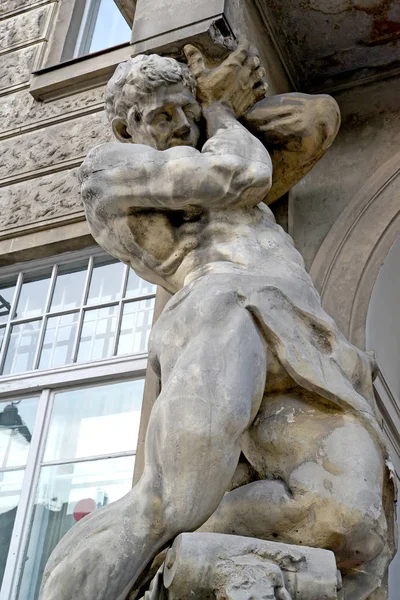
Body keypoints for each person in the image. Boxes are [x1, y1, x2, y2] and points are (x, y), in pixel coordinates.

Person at [40, 42, 395, 600]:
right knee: (171, 502)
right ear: (124, 126)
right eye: (162, 116)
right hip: (223, 308)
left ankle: (196, 553)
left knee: (353, 521)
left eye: (187, 109)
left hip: (303, 334)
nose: (181, 124)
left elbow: (316, 119)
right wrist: (222, 111)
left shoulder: (203, 158)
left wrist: (225, 96)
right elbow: (241, 175)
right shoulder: (113, 169)